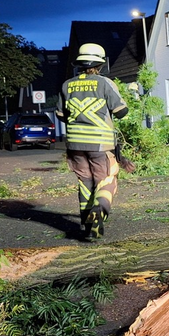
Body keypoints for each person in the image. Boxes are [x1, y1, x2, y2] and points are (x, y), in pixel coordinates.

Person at [56, 43, 128, 240]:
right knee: (107, 180)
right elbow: (121, 111)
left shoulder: (66, 85)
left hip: (74, 145)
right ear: (100, 64)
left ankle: (86, 225)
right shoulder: (105, 83)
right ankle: (99, 212)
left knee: (85, 183)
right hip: (100, 144)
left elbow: (61, 115)